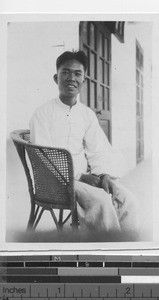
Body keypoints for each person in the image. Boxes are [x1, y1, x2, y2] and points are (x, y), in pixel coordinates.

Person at [29, 50, 140, 239]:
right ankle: (107, 249)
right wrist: (80, 177)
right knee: (103, 202)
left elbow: (98, 149)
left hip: (86, 179)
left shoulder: (86, 114)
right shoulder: (42, 113)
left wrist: (103, 174)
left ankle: (127, 246)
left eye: (77, 73)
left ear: (84, 80)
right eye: (65, 72)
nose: (71, 78)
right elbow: (43, 157)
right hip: (56, 182)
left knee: (129, 200)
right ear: (56, 78)